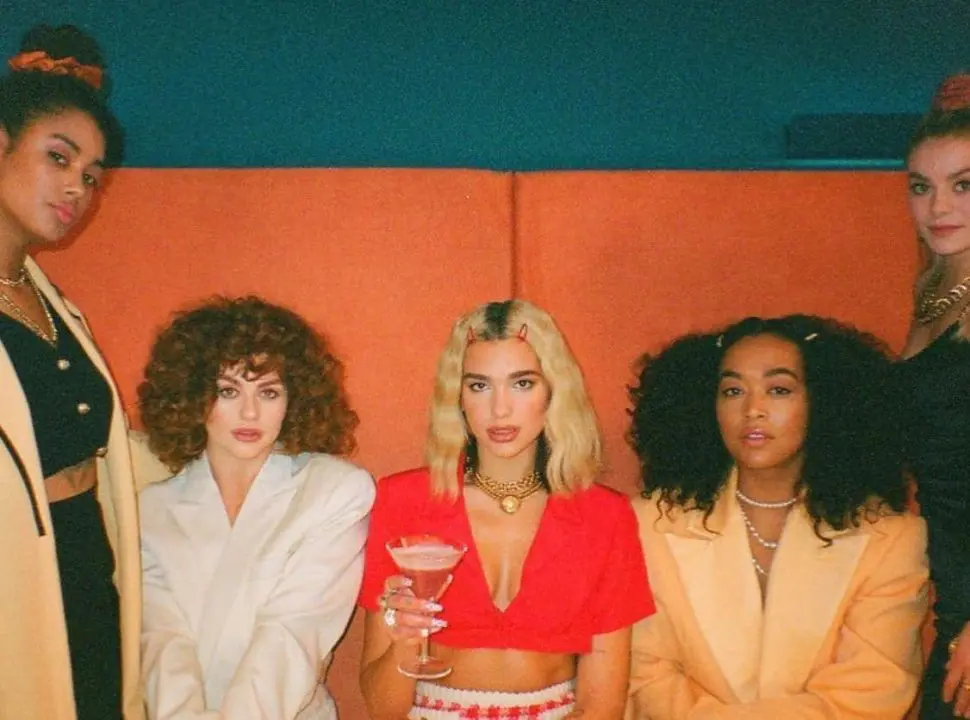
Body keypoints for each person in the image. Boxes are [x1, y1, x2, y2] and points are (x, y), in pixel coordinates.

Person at [359, 299, 654, 720]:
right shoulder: (404, 501)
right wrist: (405, 640)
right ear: (457, 397)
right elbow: (381, 708)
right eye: (479, 386)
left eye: (522, 383)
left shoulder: (604, 517)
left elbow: (602, 705)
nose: (499, 409)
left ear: (553, 391)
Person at [626, 315, 929, 719]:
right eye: (733, 391)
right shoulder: (648, 523)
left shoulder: (891, 537)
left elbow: (871, 692)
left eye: (779, 390)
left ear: (824, 401)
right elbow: (645, 677)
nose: (753, 410)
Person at [137, 296, 375, 719]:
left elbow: (292, 637)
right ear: (191, 397)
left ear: (293, 399)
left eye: (268, 392)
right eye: (227, 391)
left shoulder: (335, 491)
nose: (250, 412)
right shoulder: (151, 510)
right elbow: (162, 644)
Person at [0, 23, 142, 720]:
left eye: (91, 176)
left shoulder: (47, 299)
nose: (77, 188)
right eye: (58, 157)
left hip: (82, 557)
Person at [899, 73, 970, 719]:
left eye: (964, 185)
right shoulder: (936, 290)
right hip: (954, 588)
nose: (938, 207)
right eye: (921, 186)